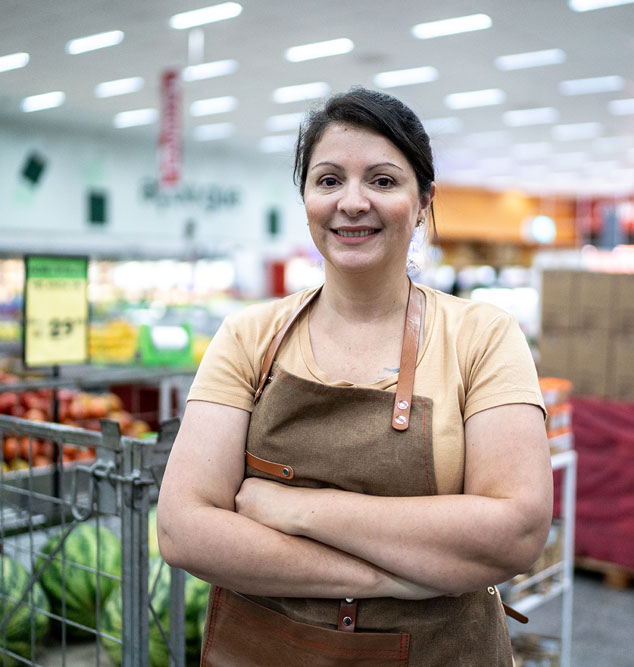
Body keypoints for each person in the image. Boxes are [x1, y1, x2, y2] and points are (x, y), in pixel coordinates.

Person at [157, 87, 552, 666]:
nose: (353, 202)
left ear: (423, 201)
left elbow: (514, 531)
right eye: (329, 180)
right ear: (307, 197)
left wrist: (293, 509)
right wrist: (388, 576)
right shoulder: (248, 337)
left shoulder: (483, 337)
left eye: (384, 180)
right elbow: (184, 530)